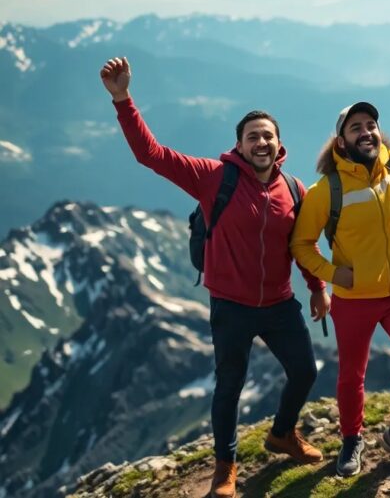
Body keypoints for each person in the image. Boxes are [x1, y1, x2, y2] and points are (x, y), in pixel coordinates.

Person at [100, 57, 328, 498]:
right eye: (252, 136)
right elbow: (152, 155)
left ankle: (283, 434)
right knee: (230, 387)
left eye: (268, 136)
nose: (261, 142)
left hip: (280, 303)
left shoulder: (295, 190)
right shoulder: (214, 178)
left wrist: (318, 288)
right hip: (232, 306)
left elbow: (300, 247)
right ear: (239, 145)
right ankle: (225, 469)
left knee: (304, 371)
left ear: (280, 145)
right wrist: (122, 99)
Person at [289, 41, 390, 478]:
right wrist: (330, 274)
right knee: (351, 377)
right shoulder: (327, 191)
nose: (367, 131)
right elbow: (301, 244)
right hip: (355, 297)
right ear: (341, 140)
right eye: (356, 126)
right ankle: (350, 440)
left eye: (372, 124)